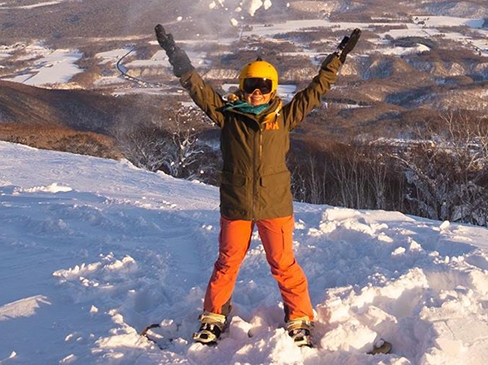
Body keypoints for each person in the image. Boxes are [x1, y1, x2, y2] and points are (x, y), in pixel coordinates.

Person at [154, 23, 361, 348]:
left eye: (263, 85)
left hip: (274, 204)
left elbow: (316, 90)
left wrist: (337, 57)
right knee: (227, 262)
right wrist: (174, 53)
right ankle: (213, 316)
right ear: (242, 85)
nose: (257, 91)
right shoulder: (227, 115)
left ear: (273, 87)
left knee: (283, 264)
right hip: (236, 202)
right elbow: (195, 86)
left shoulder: (284, 116)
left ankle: (299, 317)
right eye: (251, 84)